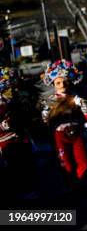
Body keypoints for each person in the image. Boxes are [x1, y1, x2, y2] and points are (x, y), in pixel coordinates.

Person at [41, 60, 87, 189]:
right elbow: (45, 122)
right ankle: (72, 187)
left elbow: (84, 114)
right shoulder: (50, 101)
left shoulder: (75, 97)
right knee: (66, 165)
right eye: (58, 83)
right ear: (54, 85)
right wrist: (45, 116)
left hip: (76, 132)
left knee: (84, 163)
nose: (62, 85)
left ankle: (78, 184)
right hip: (59, 136)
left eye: (64, 82)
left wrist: (86, 120)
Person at [0, 66, 38, 203]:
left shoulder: (17, 101)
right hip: (5, 142)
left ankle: (28, 190)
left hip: (21, 138)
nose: (11, 91)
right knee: (13, 167)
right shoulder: (2, 104)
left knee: (27, 164)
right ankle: (20, 192)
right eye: (7, 89)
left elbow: (27, 117)